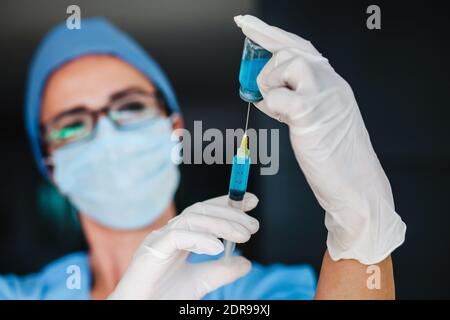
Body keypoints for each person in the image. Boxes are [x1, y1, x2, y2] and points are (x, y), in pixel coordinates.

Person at [0, 15, 405, 300]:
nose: (106, 133)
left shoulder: (258, 289)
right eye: (72, 124)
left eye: (130, 107)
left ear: (175, 130)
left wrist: (359, 227)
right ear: (50, 164)